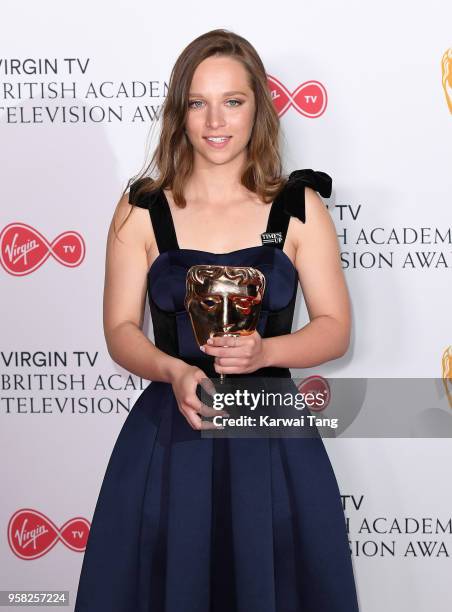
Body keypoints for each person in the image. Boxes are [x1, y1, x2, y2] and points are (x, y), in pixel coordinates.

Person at [74, 28, 360, 612]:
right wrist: (172, 369)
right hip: (171, 436)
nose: (215, 121)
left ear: (259, 107)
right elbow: (120, 332)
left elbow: (334, 327)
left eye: (233, 101)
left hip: (272, 440)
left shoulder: (299, 208)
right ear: (179, 112)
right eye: (198, 103)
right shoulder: (141, 208)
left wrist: (266, 353)